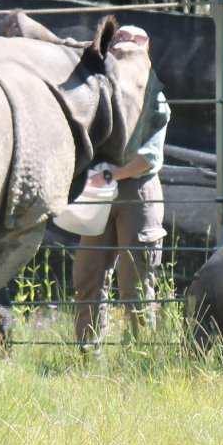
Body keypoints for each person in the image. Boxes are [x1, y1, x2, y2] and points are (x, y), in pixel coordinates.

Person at [72, 24, 172, 355]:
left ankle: (140, 360)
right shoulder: (97, 90)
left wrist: (113, 174)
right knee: (87, 276)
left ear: (146, 50)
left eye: (132, 42)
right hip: (100, 191)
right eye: (119, 41)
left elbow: (149, 157)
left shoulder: (153, 95)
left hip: (137, 193)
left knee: (135, 284)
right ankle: (88, 357)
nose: (124, 46)